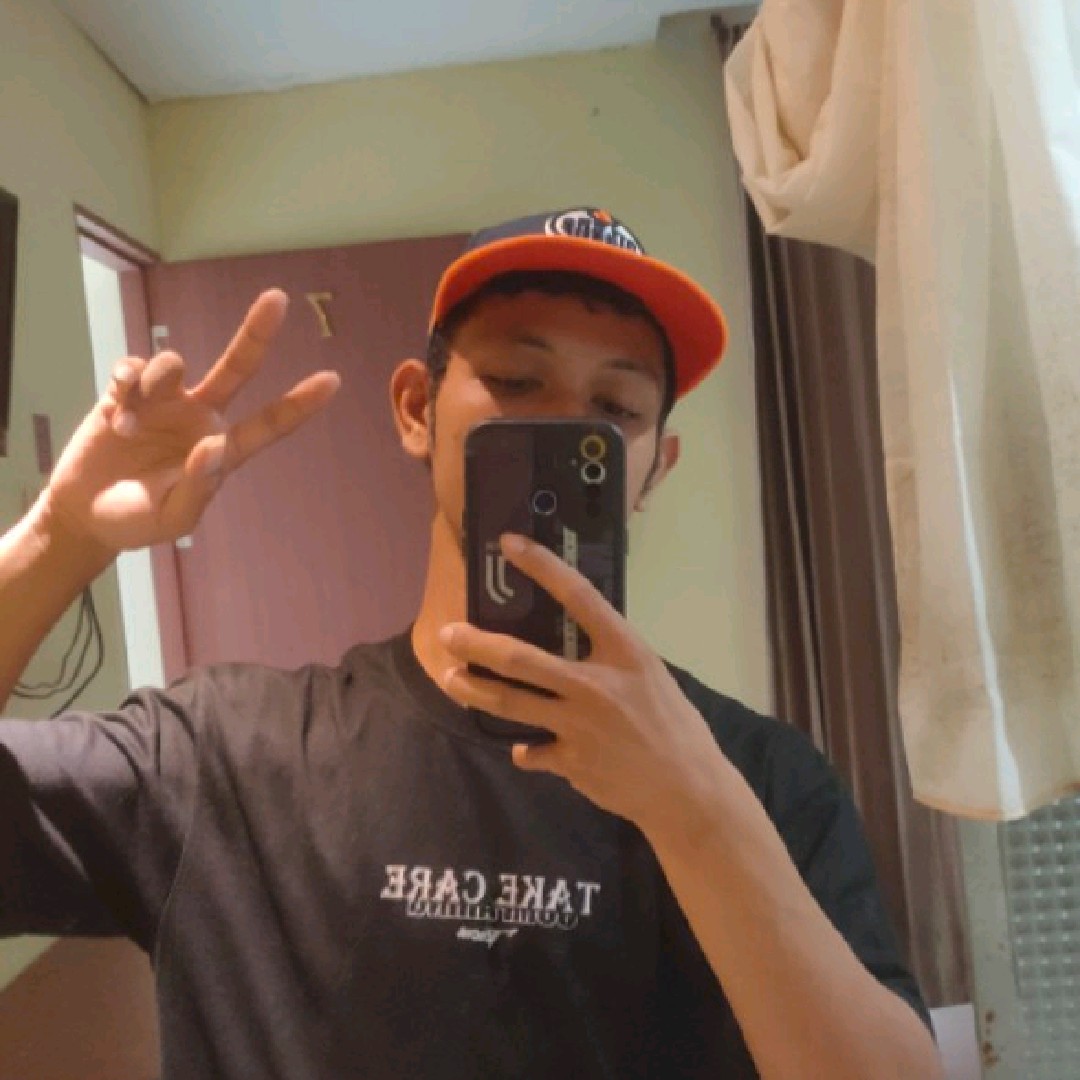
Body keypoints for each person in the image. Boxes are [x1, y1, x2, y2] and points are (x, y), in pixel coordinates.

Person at [0, 208, 942, 1078]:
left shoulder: (760, 783)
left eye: (615, 410)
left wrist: (696, 813)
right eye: (517, 381)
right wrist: (56, 538)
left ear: (654, 468)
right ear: (417, 408)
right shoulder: (222, 754)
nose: (562, 424)